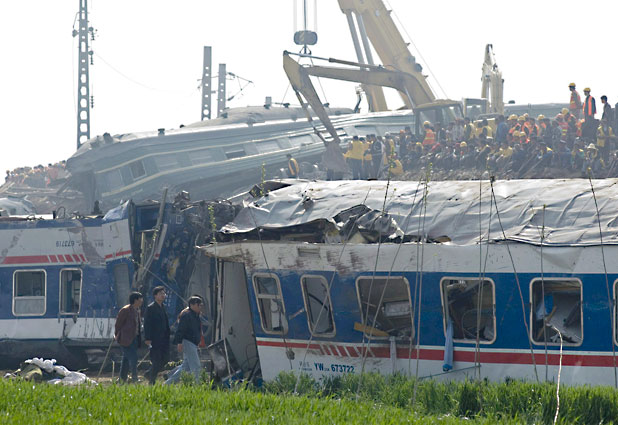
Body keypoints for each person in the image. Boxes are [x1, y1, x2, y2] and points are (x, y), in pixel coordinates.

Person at [165, 296, 204, 384]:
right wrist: (179, 342)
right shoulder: (187, 315)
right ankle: (198, 385)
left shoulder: (195, 315)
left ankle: (168, 382)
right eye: (198, 305)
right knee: (196, 366)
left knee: (186, 366)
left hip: (193, 342)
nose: (200, 307)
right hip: (188, 341)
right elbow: (181, 329)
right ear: (192, 305)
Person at [144, 286, 170, 385]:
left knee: (165, 359)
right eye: (160, 294)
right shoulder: (151, 308)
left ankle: (149, 373)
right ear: (155, 296)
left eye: (164, 293)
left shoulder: (163, 307)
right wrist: (147, 338)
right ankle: (152, 380)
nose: (163, 295)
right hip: (155, 338)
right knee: (156, 359)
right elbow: (147, 324)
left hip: (164, 338)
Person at [114, 292, 143, 383]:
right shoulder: (125, 310)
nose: (142, 300)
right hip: (125, 338)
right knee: (133, 358)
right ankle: (135, 378)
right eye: (140, 299)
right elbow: (118, 324)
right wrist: (116, 334)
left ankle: (122, 379)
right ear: (135, 300)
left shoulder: (137, 310)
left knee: (126, 359)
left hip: (134, 338)